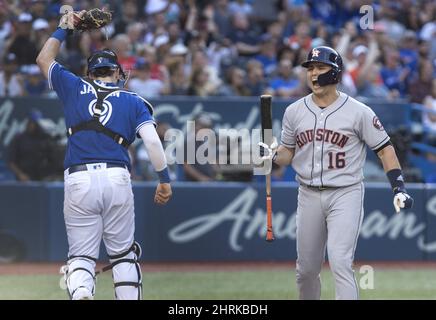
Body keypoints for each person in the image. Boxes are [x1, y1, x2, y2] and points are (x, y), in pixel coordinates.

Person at [35, 11, 172, 300]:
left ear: (90, 72)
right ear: (118, 73)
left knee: (82, 256)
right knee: (123, 255)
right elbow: (152, 141)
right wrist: (164, 180)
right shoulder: (133, 100)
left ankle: (83, 292)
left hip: (79, 179)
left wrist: (64, 28)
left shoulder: (74, 86)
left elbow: (43, 59)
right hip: (116, 177)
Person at [259, 46, 414, 300]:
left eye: (320, 68)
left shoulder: (359, 111)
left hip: (346, 193)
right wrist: (273, 154)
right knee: (306, 270)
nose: (313, 74)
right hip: (307, 193)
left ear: (335, 73)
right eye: (310, 68)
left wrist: (399, 188)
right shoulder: (294, 111)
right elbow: (287, 153)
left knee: (340, 261)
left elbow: (385, 149)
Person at [7, 109, 63, 181]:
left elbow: (54, 159)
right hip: (24, 179)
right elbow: (11, 161)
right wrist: (20, 174)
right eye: (32, 123)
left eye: (37, 123)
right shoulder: (19, 138)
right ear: (28, 123)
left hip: (43, 179)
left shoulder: (45, 138)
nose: (34, 125)